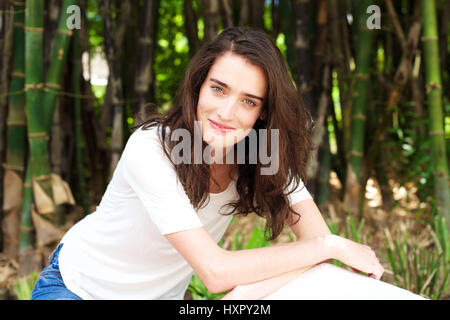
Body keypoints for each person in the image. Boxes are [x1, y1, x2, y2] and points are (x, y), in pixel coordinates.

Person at [30, 26, 424, 300]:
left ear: (263, 114)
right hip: (78, 288)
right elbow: (216, 271)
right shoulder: (152, 149)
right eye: (218, 89)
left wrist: (250, 292)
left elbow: (314, 249)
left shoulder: (262, 155)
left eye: (248, 101)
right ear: (198, 85)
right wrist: (332, 245)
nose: (226, 112)